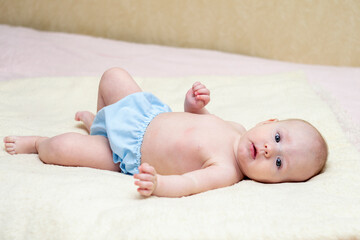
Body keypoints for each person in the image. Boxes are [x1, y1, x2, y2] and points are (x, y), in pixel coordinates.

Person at [3, 67, 328, 198]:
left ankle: (38, 143)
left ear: (275, 183)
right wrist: (193, 103)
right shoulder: (237, 129)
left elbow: (188, 184)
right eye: (277, 138)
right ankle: (99, 122)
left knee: (61, 148)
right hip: (147, 113)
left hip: (127, 154)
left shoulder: (227, 171)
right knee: (113, 77)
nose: (271, 151)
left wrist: (158, 185)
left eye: (280, 165)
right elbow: (194, 119)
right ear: (268, 122)